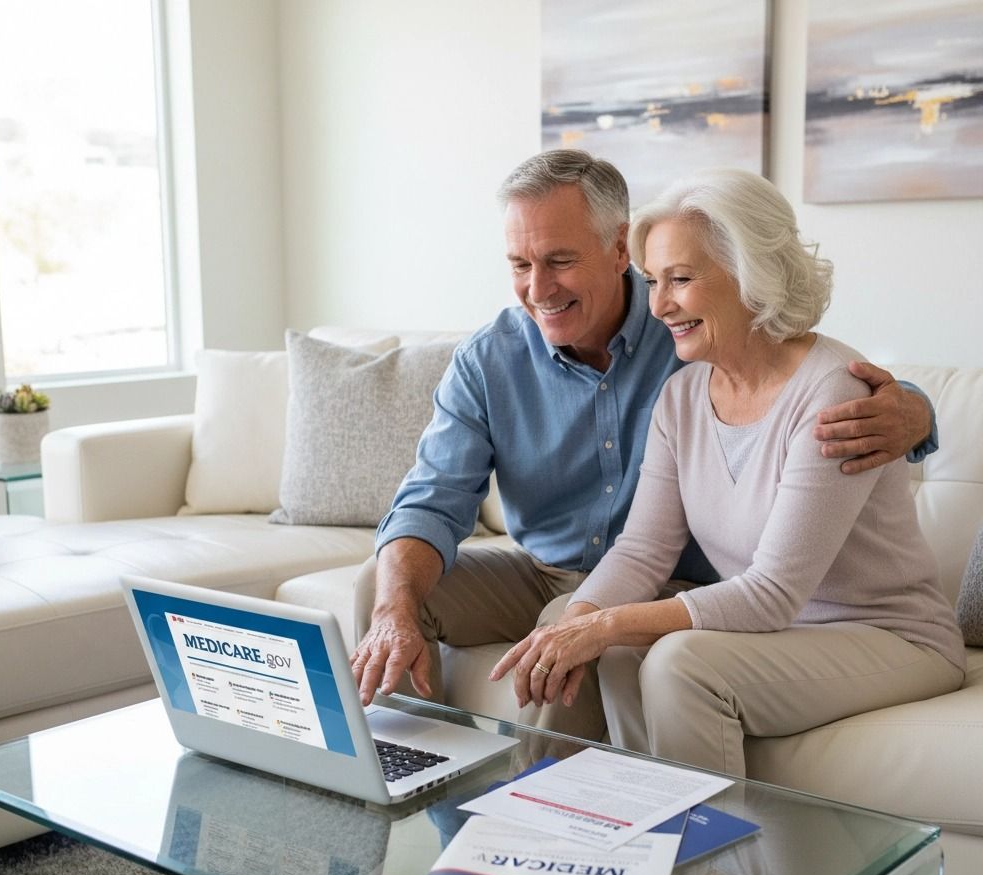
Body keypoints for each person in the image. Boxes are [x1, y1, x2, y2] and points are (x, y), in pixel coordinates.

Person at [350, 150, 937, 743]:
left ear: (617, 250)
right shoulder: (653, 379)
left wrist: (915, 408)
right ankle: (409, 784)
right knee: (385, 585)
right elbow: (437, 500)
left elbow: (811, 376)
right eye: (520, 263)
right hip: (556, 569)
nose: (538, 288)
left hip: (705, 594)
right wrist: (397, 609)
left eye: (559, 260)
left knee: (601, 649)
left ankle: (541, 813)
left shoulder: (696, 336)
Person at [489, 167, 966, 778]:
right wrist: (582, 621)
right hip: (775, 635)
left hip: (889, 636)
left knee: (675, 662)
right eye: (654, 281)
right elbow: (641, 552)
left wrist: (605, 623)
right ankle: (617, 837)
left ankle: (712, 869)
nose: (659, 305)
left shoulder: (834, 392)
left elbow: (771, 595)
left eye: (681, 280)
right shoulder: (683, 398)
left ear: (751, 275)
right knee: (603, 643)